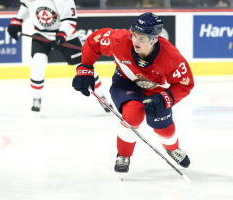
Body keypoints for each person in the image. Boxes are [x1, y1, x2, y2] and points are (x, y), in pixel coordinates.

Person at [72, 12, 194, 173]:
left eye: (142, 38)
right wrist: (85, 69)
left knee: (163, 126)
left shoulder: (171, 58)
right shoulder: (119, 40)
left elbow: (185, 84)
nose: (136, 41)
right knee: (133, 113)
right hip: (125, 82)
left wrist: (165, 99)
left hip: (155, 90)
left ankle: (173, 148)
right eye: (134, 35)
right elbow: (94, 40)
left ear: (154, 39)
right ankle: (123, 155)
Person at [7, 0, 112, 112]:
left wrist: (62, 34)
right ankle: (36, 99)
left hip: (67, 35)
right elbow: (26, 6)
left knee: (84, 66)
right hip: (41, 33)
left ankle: (102, 97)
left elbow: (69, 20)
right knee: (38, 63)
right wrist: (17, 20)